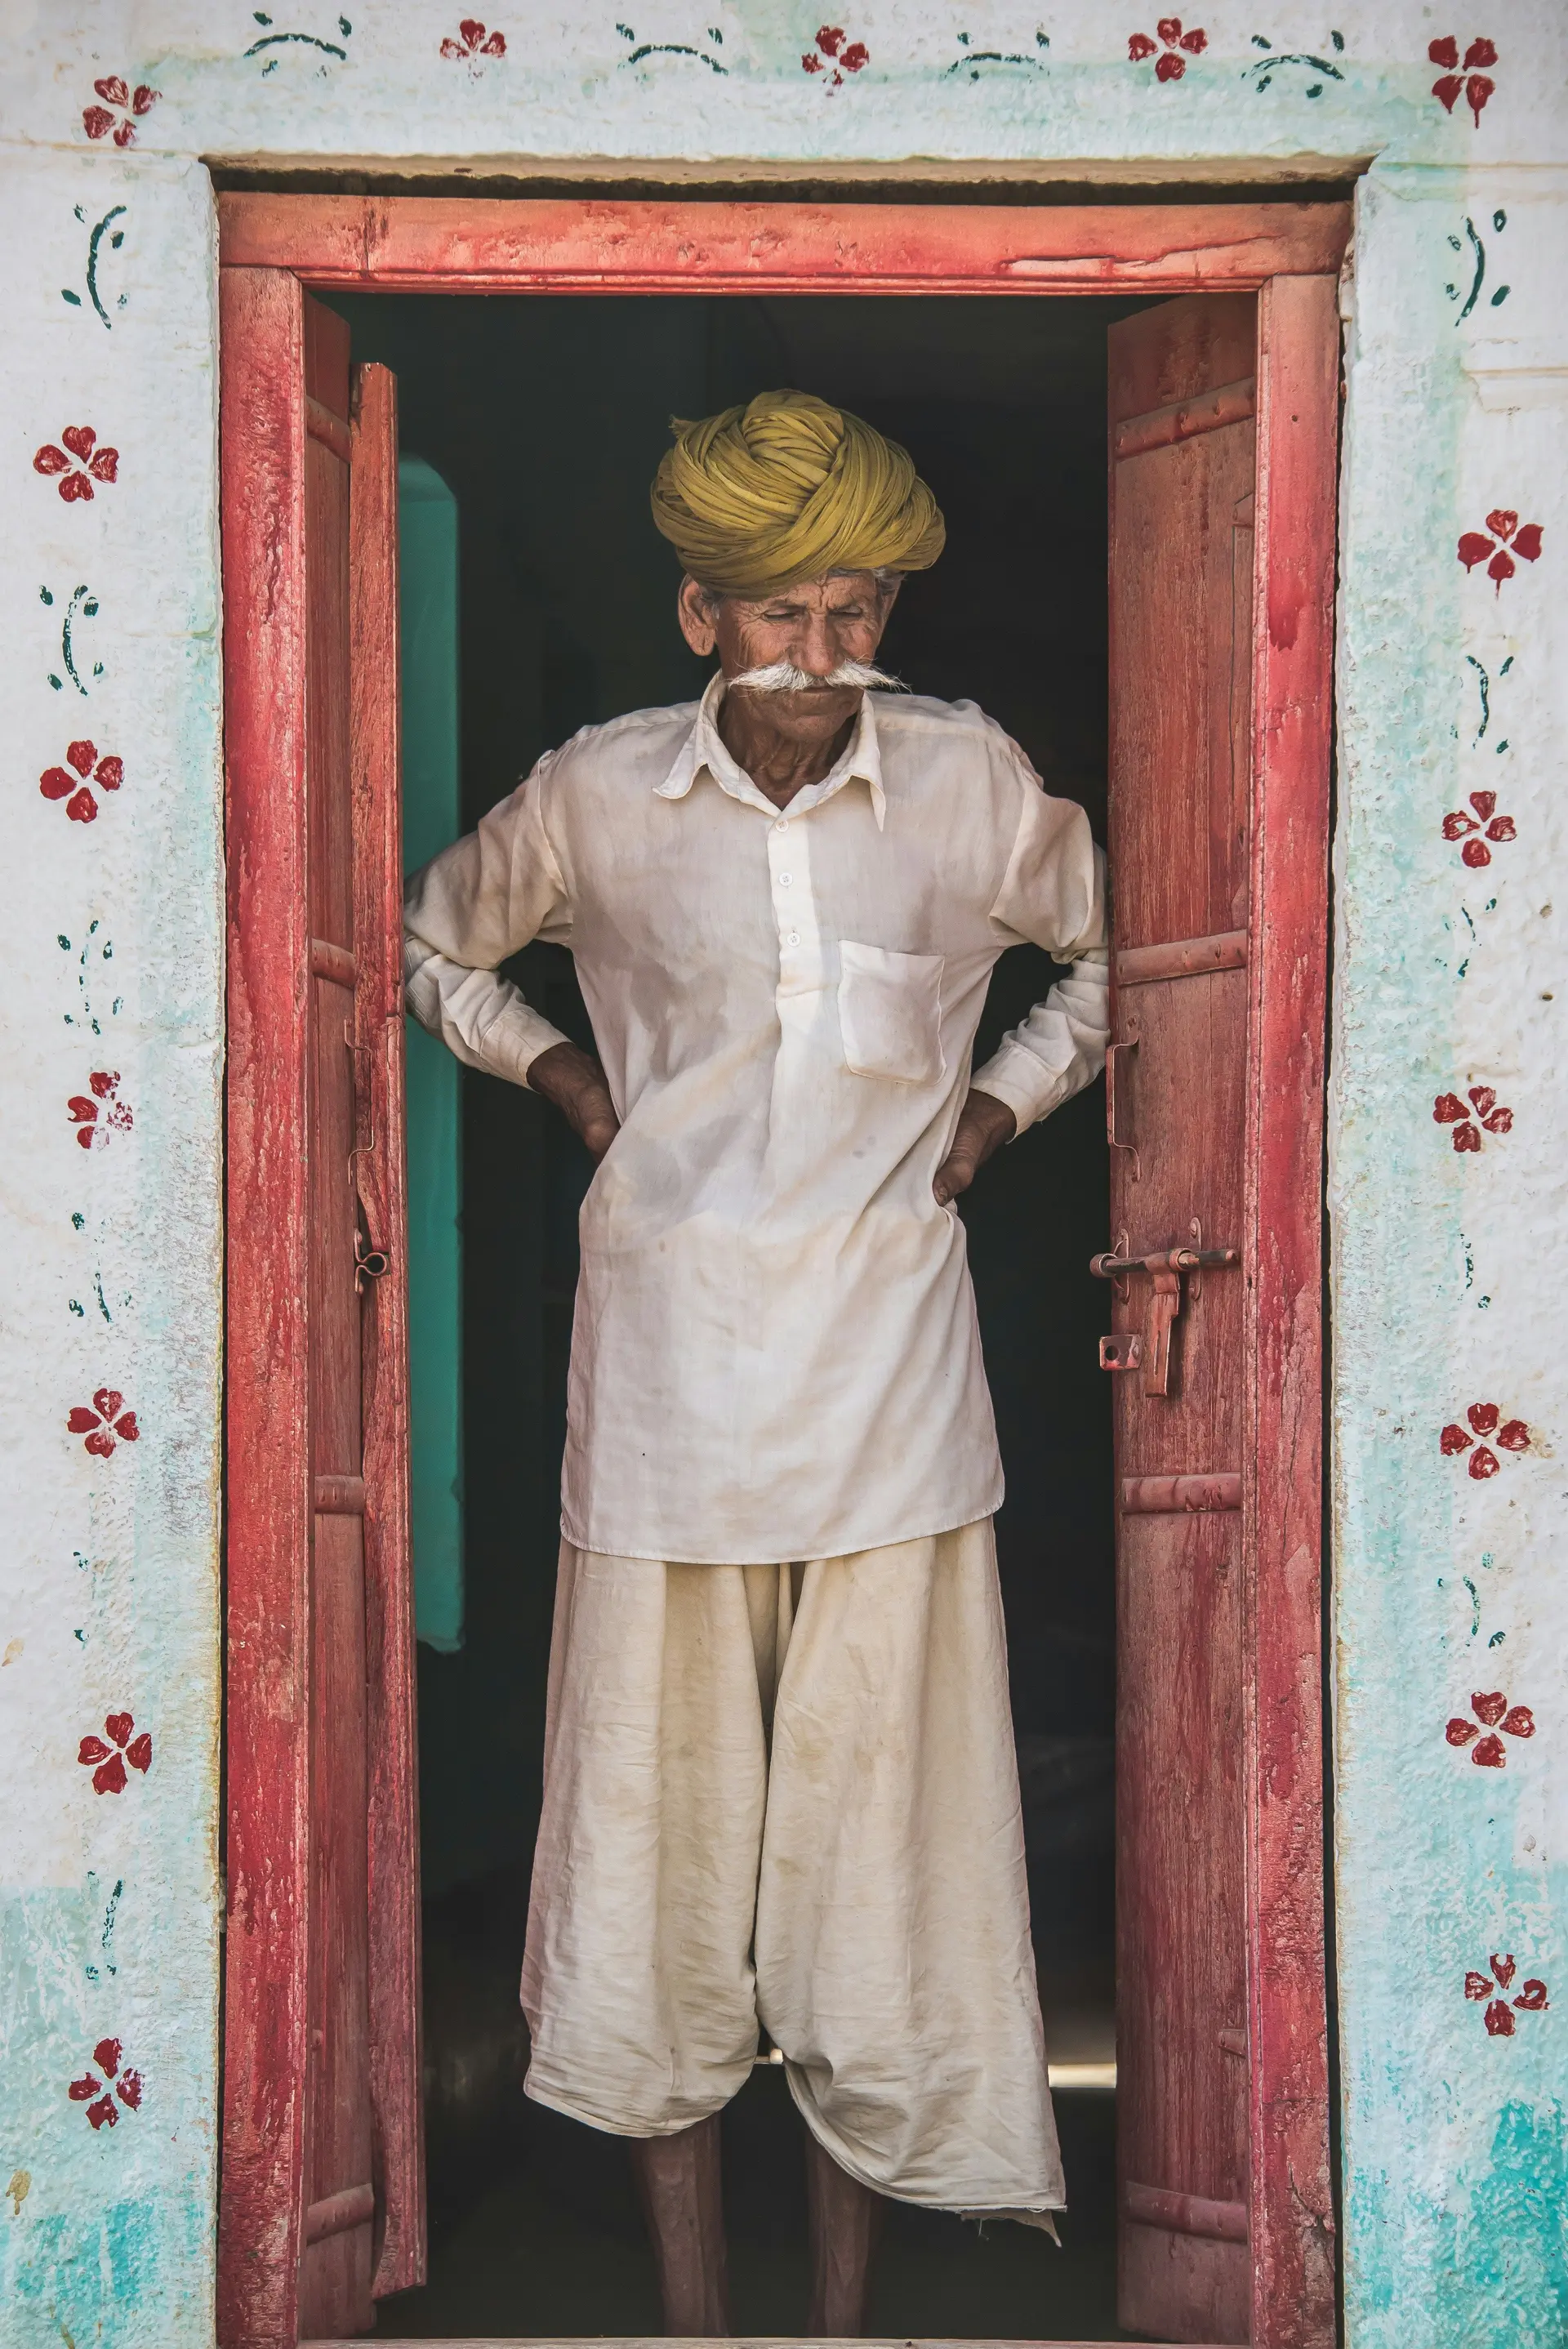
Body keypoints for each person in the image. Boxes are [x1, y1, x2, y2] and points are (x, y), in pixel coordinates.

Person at [403, 388, 1109, 2336]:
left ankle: (840, 2325)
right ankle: (705, 2323)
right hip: (666, 1409)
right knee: (664, 1871)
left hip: (892, 1406)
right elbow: (426, 939)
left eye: (860, 610)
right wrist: (553, 1065)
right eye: (786, 616)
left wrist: (993, 1115)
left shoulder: (968, 783)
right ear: (699, 614)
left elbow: (1136, 953)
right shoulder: (600, 795)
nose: (827, 659)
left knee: (869, 1882)